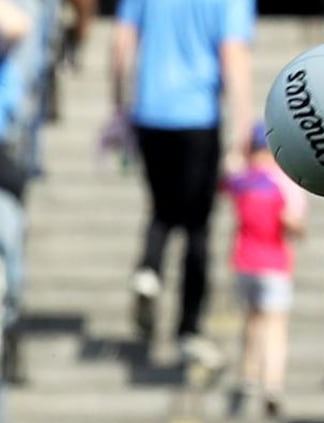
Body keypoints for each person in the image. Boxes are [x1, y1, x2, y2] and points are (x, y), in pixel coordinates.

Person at [111, 0, 254, 367]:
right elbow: (233, 55)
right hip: (198, 117)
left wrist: (119, 107)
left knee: (161, 208)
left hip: (149, 112)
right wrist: (242, 131)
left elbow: (121, 42)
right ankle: (188, 326)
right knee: (197, 225)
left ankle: (149, 270)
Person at [224, 122, 306, 419]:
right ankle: (272, 384)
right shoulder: (284, 182)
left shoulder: (244, 179)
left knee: (252, 319)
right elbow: (294, 224)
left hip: (244, 262)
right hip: (274, 263)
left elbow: (225, 179)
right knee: (275, 325)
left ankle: (247, 375)